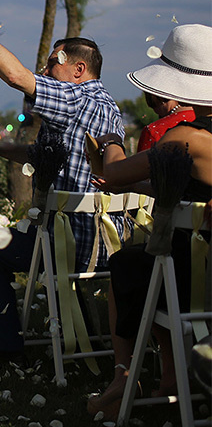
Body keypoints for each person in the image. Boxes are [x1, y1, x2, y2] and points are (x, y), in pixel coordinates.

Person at [0, 2, 125, 360]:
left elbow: (16, 76)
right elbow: (44, 156)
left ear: (78, 69)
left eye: (53, 63)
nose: (44, 70)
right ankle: (83, 335)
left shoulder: (75, 99)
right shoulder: (106, 105)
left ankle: (7, 350)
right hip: (106, 247)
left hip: (69, 247)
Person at [87, 23, 212, 416]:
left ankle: (124, 375)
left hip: (194, 277)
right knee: (145, 262)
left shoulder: (185, 139)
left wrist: (110, 142)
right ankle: (171, 376)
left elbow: (113, 174)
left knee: (128, 262)